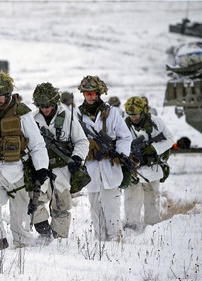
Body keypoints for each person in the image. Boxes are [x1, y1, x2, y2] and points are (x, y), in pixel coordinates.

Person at [0, 70, 49, 249]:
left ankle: (23, 243)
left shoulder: (22, 112)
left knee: (20, 211)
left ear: (8, 93)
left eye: (0, 96)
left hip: (17, 169)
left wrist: (41, 168)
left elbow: (37, 144)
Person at [76, 75, 132, 241]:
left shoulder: (112, 113)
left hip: (109, 166)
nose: (90, 96)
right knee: (95, 207)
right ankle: (100, 241)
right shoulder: (77, 115)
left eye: (93, 93)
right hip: (91, 168)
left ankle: (116, 240)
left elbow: (125, 137)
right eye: (87, 94)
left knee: (112, 207)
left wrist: (120, 153)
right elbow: (75, 141)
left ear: (99, 93)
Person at [32, 82, 89, 239]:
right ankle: (43, 232)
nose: (46, 108)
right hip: (40, 168)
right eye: (42, 105)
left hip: (62, 169)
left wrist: (77, 157)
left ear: (55, 101)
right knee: (34, 201)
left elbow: (82, 142)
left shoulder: (68, 118)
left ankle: (59, 240)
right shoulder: (32, 119)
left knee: (61, 206)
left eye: (48, 104)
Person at [123, 96, 173, 231]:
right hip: (133, 170)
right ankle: (131, 228)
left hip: (152, 169)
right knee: (131, 199)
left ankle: (153, 229)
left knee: (152, 199)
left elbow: (169, 139)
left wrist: (154, 148)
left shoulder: (156, 122)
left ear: (143, 111)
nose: (133, 117)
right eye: (130, 115)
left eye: (136, 114)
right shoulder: (124, 124)